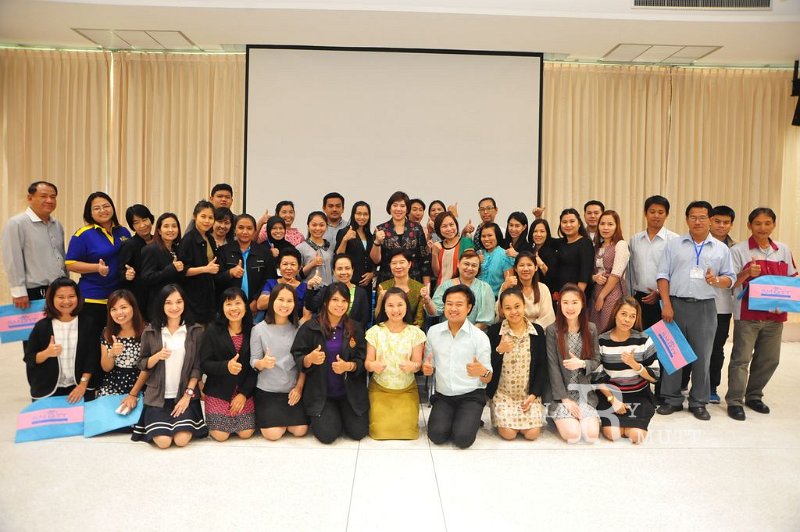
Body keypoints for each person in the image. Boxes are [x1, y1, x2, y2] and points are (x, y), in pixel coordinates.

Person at [656, 201, 735, 421]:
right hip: (676, 305)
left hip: (705, 307)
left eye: (702, 217)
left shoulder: (720, 249)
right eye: (693, 217)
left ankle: (699, 401)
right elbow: (662, 275)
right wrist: (666, 304)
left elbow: (730, 279)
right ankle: (672, 399)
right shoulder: (674, 245)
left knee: (703, 357)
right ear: (686, 219)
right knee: (674, 355)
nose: (697, 221)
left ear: (710, 219)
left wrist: (716, 280)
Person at [726, 208, 797, 421]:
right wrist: (747, 272)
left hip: (775, 315)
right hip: (747, 314)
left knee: (769, 359)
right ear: (749, 225)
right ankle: (734, 401)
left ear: (774, 225)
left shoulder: (783, 250)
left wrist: (785, 302)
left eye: (767, 223)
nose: (762, 228)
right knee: (741, 359)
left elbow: (792, 280)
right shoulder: (738, 250)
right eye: (757, 223)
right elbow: (731, 283)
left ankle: (754, 396)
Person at [291, 282, 369, 444]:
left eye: (344, 301)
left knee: (358, 432)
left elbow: (362, 359)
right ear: (326, 302)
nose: (340, 305)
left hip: (349, 393)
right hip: (321, 394)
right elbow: (297, 354)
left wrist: (348, 366)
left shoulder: (355, 328)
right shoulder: (310, 327)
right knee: (327, 435)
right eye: (335, 300)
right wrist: (309, 359)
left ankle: (342, 413)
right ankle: (330, 414)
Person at [131, 284, 208, 448]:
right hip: (157, 398)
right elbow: (142, 363)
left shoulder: (195, 331)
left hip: (184, 396)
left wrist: (188, 395)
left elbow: (197, 367)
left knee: (181, 440)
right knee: (164, 442)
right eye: (168, 302)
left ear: (185, 303)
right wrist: (157, 356)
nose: (174, 307)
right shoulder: (151, 331)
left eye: (179, 302)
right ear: (161, 304)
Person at [422, 284, 492, 449]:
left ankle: (471, 418)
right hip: (444, 396)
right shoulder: (433, 332)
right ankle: (458, 418)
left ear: (469, 308)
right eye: (449, 303)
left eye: (459, 304)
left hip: (471, 395)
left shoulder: (479, 337)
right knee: (437, 435)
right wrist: (427, 369)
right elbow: (429, 365)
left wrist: (482, 371)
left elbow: (488, 377)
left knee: (463, 439)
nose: (453, 308)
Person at [594, 297, 659, 444]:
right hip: (611, 396)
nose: (627, 320)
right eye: (623, 314)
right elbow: (596, 377)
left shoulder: (644, 340)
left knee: (636, 436)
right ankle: (619, 423)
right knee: (613, 434)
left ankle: (630, 425)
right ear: (615, 314)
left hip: (639, 395)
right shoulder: (602, 340)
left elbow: (654, 376)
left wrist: (635, 365)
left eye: (632, 316)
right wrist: (613, 400)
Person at [364, 287, 426, 439]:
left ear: (406, 306)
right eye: (390, 305)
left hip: (406, 389)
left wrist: (413, 366)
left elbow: (418, 364)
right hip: (380, 389)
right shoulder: (374, 332)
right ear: (384, 308)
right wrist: (373, 366)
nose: (395, 310)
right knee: (379, 432)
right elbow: (367, 363)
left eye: (400, 305)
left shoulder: (415, 333)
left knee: (409, 433)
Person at [486, 288, 547, 441]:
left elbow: (542, 366)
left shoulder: (537, 331)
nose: (513, 312)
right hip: (503, 395)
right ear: (502, 310)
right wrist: (499, 351)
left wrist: (534, 394)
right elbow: (486, 367)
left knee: (532, 434)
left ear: (524, 305)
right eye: (508, 308)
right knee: (509, 434)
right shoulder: (494, 331)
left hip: (528, 395)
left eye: (517, 306)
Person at [24, 277, 98, 401]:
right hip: (49, 389)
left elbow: (92, 357)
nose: (66, 301)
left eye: (71, 296)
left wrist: (83, 385)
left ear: (78, 297)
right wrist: (46, 353)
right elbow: (29, 358)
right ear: (51, 299)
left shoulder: (88, 323)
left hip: (80, 386)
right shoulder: (42, 326)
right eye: (61, 297)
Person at [65, 192, 132, 330]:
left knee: (116, 340)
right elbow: (70, 264)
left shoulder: (123, 231)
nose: (102, 210)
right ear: (89, 213)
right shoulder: (82, 235)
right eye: (97, 208)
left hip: (119, 298)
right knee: (92, 340)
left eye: (106, 206)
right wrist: (96, 268)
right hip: (93, 298)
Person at [250, 284, 309, 440]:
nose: (285, 305)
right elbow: (253, 360)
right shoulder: (258, 329)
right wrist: (262, 363)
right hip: (267, 391)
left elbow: (303, 364)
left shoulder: (299, 329)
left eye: (289, 301)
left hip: (292, 391)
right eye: (280, 299)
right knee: (273, 434)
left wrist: (299, 388)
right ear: (272, 301)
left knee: (300, 430)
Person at [546, 283, 601, 444]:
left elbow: (596, 360)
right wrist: (565, 399)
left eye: (574, 302)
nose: (570, 307)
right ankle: (557, 416)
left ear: (582, 304)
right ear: (559, 304)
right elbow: (552, 367)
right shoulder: (552, 330)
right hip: (561, 396)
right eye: (565, 302)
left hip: (584, 394)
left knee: (591, 436)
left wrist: (582, 363)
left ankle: (577, 418)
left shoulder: (591, 329)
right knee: (573, 435)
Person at [199, 288, 257, 441]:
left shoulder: (253, 331)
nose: (233, 308)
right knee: (221, 436)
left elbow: (255, 368)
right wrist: (226, 367)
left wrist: (244, 394)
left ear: (245, 306)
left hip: (244, 390)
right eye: (228, 304)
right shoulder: (212, 330)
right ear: (222, 308)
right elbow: (204, 363)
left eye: (238, 303)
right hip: (218, 390)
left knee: (246, 433)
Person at [3, 181, 66, 310]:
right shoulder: (17, 223)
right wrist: (19, 292)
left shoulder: (57, 225)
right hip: (34, 292)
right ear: (30, 198)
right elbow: (13, 259)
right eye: (43, 196)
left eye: (53, 197)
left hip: (60, 289)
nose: (49, 200)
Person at [628, 195, 678, 330]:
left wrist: (659, 292)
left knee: (660, 339)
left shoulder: (674, 240)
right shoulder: (635, 239)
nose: (656, 215)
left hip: (663, 300)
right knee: (638, 337)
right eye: (652, 211)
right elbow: (631, 270)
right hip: (638, 298)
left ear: (667, 214)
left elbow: (677, 272)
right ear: (645, 213)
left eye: (660, 212)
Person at [216, 214, 277, 314]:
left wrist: (256, 300)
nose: (245, 232)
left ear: (255, 231)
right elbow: (216, 279)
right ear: (235, 229)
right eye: (241, 228)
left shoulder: (264, 252)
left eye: (249, 228)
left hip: (256, 308)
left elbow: (270, 279)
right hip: (230, 306)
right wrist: (230, 273)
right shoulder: (223, 251)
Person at [706, 205, 736, 404]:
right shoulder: (697, 242)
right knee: (690, 346)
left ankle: (711, 387)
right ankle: (683, 383)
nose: (721, 226)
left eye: (726, 222)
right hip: (697, 304)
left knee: (716, 349)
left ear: (731, 224)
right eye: (717, 221)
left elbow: (734, 279)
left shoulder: (735, 248)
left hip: (723, 308)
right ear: (710, 221)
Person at [424, 250, 495, 330]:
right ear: (458, 264)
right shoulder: (445, 286)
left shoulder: (485, 288)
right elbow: (433, 312)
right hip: (447, 333)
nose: (470, 268)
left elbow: (485, 321)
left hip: (474, 335)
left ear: (478, 268)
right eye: (466, 264)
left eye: (474, 265)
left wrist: (465, 334)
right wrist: (427, 301)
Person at [371, 191, 431, 285]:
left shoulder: (416, 228)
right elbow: (375, 261)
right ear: (390, 207)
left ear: (407, 209)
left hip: (413, 280)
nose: (398, 209)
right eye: (395, 205)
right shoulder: (380, 229)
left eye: (402, 206)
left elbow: (425, 259)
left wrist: (427, 286)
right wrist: (377, 242)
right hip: (387, 281)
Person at [98, 290, 146, 404]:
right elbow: (106, 368)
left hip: (142, 383)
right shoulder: (107, 332)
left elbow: (148, 368)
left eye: (123, 307)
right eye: (113, 309)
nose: (119, 312)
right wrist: (112, 353)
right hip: (114, 382)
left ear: (133, 307)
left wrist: (133, 394)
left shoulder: (147, 331)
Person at [179, 200, 220, 325]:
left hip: (208, 294)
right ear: (195, 216)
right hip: (193, 296)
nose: (207, 221)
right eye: (203, 216)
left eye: (210, 218)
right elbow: (182, 271)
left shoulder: (210, 238)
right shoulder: (188, 240)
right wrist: (205, 269)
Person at [305, 254, 371, 330]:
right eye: (339, 269)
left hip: (352, 334)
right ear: (334, 271)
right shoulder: (326, 290)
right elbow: (310, 306)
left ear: (352, 270)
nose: (344, 272)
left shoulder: (361, 293)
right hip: (327, 332)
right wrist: (309, 287)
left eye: (347, 268)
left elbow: (364, 319)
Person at [589, 210, 630, 332]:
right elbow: (590, 271)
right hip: (596, 292)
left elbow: (616, 274)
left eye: (610, 224)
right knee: (594, 328)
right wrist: (594, 277)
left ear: (617, 226)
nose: (605, 227)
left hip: (613, 293)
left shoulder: (620, 245)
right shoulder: (596, 246)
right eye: (602, 224)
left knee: (608, 327)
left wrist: (602, 296)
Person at [139, 213, 184, 322]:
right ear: (159, 230)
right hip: (157, 303)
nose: (171, 230)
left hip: (176, 303)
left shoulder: (178, 249)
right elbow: (146, 278)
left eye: (174, 226)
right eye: (166, 226)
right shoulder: (151, 249)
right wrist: (170, 269)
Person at [257, 247, 321, 322]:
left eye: (293, 264)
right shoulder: (271, 283)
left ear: (299, 268)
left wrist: (295, 328)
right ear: (279, 267)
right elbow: (260, 305)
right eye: (285, 264)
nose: (289, 268)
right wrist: (282, 290)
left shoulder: (305, 287)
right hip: (272, 324)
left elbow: (307, 316)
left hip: (296, 326)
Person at [496, 251, 555, 328]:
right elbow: (500, 314)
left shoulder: (543, 288)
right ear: (515, 268)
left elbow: (548, 317)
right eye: (521, 265)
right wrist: (504, 289)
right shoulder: (509, 286)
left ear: (536, 267)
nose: (526, 269)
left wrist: (529, 329)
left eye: (529, 265)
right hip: (513, 329)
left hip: (538, 330)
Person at [117, 204, 154, 318]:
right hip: (139, 299)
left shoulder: (159, 241)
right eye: (136, 222)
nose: (142, 225)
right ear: (132, 226)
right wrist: (126, 275)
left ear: (151, 219)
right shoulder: (129, 245)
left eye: (145, 219)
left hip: (157, 296)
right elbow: (120, 272)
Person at [375, 250, 425, 328]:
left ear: (409, 264)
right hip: (386, 330)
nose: (398, 266)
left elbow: (419, 320)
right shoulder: (383, 287)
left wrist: (408, 333)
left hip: (412, 331)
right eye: (394, 263)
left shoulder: (419, 288)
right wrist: (380, 299)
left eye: (402, 262)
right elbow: (377, 316)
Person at [335, 201, 375, 289]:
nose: (362, 217)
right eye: (359, 214)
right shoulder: (344, 232)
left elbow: (372, 259)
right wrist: (345, 239)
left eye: (365, 214)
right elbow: (338, 256)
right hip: (349, 281)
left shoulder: (369, 235)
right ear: (353, 215)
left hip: (366, 284)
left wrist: (372, 274)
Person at [553, 208, 594, 294]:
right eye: (564, 222)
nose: (568, 225)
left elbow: (584, 274)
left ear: (579, 224)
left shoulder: (585, 243)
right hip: (561, 292)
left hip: (576, 294)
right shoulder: (561, 242)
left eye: (572, 221)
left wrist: (577, 296)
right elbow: (544, 239)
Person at [430, 210, 475, 287]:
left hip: (461, 289)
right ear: (438, 229)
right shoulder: (437, 246)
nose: (449, 229)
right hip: (441, 289)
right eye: (444, 226)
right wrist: (434, 253)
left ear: (456, 225)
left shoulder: (466, 242)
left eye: (451, 224)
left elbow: (470, 268)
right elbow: (437, 273)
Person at [297, 211, 334, 286]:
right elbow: (297, 276)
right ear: (308, 226)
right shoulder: (300, 248)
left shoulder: (331, 247)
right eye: (314, 225)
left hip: (329, 289)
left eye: (321, 225)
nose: (318, 228)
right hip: (309, 289)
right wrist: (312, 264)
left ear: (326, 226)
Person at [475, 222, 514, 296]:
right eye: (483, 236)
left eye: (490, 235)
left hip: (496, 298)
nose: (486, 239)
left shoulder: (505, 255)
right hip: (476, 297)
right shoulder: (478, 254)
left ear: (497, 236)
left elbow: (509, 284)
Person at [528, 218, 558, 297]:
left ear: (547, 233)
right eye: (535, 231)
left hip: (545, 293)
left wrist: (541, 264)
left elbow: (552, 277)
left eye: (542, 231)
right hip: (529, 291)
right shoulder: (529, 249)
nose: (538, 234)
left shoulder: (552, 252)